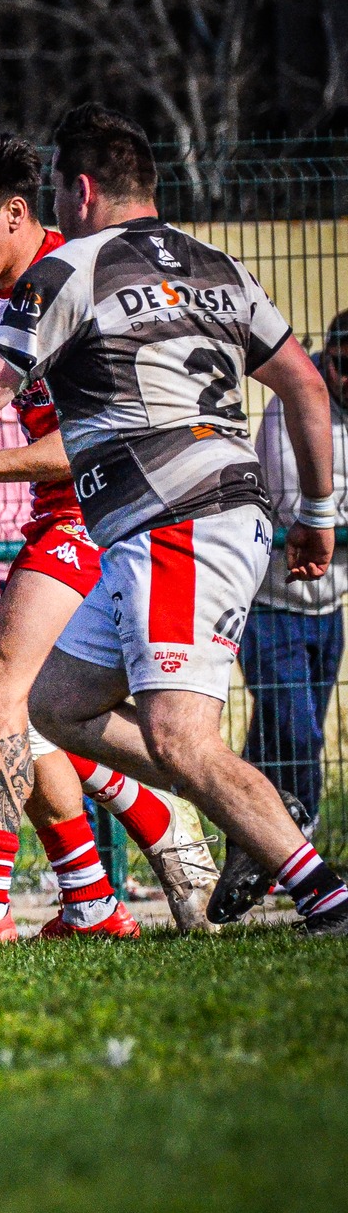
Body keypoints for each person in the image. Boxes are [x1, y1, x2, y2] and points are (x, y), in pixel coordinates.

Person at [0, 103, 348, 939]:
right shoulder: (219, 266)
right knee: (60, 703)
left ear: (77, 192)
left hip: (175, 514)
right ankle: (252, 817)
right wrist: (317, 515)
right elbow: (308, 388)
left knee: (179, 734)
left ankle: (323, 892)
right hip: (187, 515)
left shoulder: (69, 269)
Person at [0, 132, 218, 940]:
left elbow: (94, 439)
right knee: (9, 709)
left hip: (101, 507)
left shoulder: (64, 282)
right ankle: (104, 883)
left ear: (18, 214)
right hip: (63, 506)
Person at [234, 308, 348, 835]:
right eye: (340, 364)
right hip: (272, 607)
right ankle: (298, 849)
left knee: (273, 742)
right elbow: (289, 501)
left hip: (329, 611)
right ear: (326, 357)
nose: (345, 378)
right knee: (299, 736)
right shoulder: (295, 407)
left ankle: (243, 839)